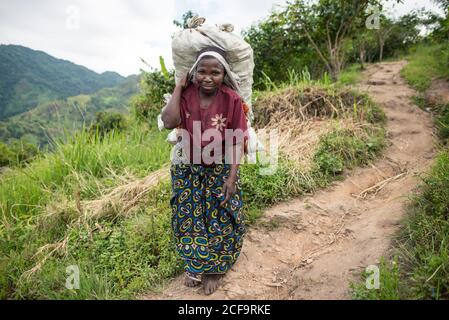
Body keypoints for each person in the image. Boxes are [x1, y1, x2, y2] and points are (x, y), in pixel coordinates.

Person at [161, 46, 249, 295]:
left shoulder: (231, 99)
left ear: (224, 74)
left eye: (215, 72)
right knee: (188, 215)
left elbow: (236, 139)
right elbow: (168, 122)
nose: (208, 77)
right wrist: (179, 86)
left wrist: (231, 177)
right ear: (194, 73)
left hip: (220, 166)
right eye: (202, 71)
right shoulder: (186, 94)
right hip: (187, 167)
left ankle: (215, 269)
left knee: (221, 214)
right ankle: (195, 263)